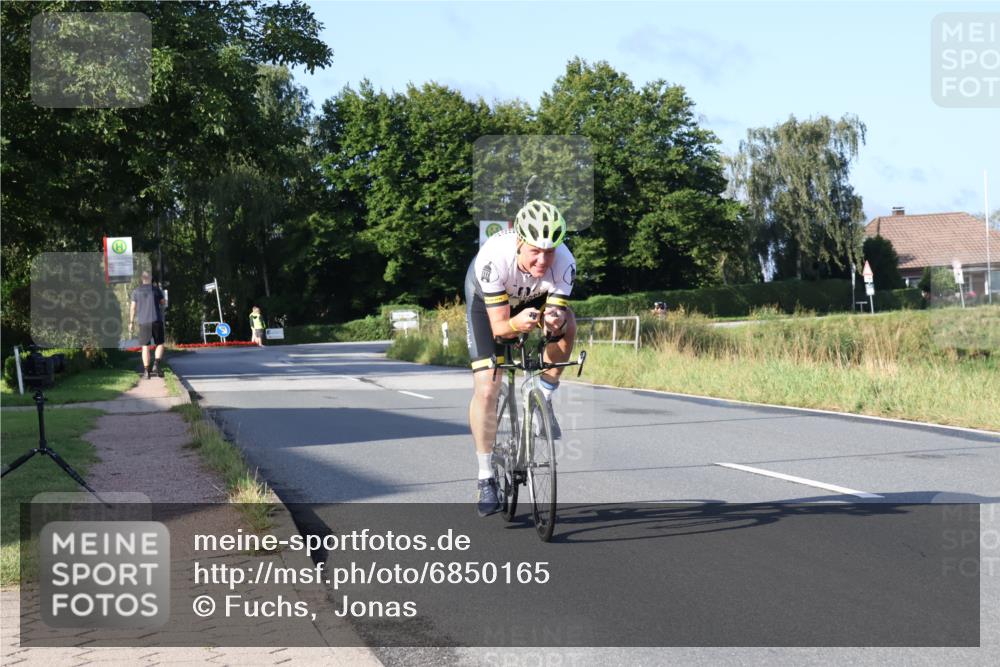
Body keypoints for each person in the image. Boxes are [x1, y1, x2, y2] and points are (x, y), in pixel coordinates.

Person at [465, 200, 577, 517]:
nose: (543, 260)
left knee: (568, 324)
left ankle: (543, 395)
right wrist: (515, 324)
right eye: (535, 252)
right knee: (488, 386)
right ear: (519, 241)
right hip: (487, 302)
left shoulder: (565, 262)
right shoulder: (493, 259)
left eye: (550, 251)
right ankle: (485, 475)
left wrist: (552, 321)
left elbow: (556, 311)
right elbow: (500, 327)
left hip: (532, 298)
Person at [128, 271, 167, 379]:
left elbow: (132, 307)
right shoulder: (156, 290)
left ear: (142, 279)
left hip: (143, 322)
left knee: (145, 346)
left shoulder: (136, 291)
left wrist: (131, 322)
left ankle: (146, 372)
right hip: (156, 320)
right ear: (150, 279)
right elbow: (163, 302)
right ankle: (156, 364)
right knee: (160, 343)